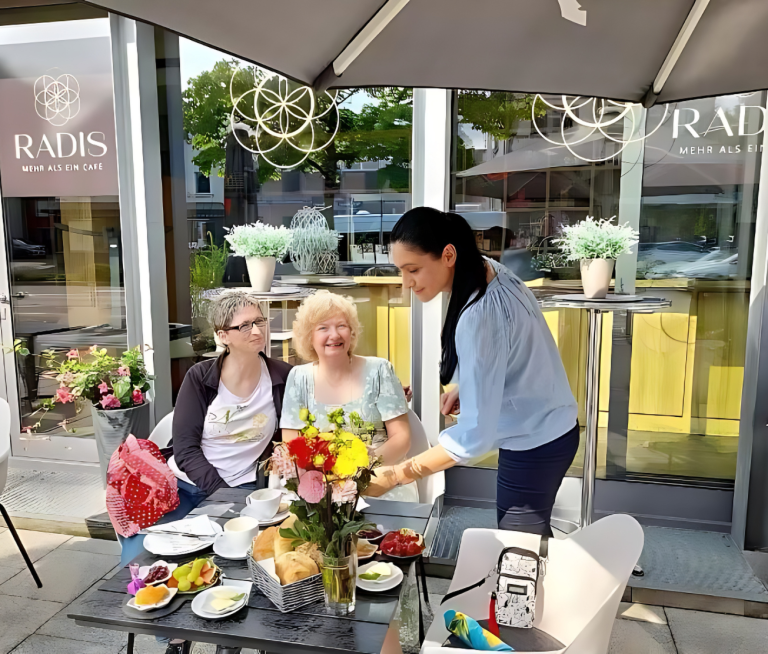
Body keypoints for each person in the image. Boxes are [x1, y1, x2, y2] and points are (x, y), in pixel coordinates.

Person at [366, 207, 579, 536]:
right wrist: (469, 387)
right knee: (528, 543)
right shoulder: (488, 271)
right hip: (551, 427)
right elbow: (508, 351)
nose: (406, 283)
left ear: (448, 254)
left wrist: (396, 475)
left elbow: (473, 440)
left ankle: (569, 588)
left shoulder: (479, 316)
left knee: (519, 551)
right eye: (401, 271)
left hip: (536, 441)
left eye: (413, 270)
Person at [117, 290, 291, 654]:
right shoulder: (201, 377)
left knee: (239, 560)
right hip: (185, 486)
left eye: (259, 321)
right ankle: (176, 639)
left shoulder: (281, 376)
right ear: (223, 335)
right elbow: (185, 447)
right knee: (143, 562)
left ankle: (228, 635)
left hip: (245, 488)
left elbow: (314, 400)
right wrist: (221, 494)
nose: (257, 331)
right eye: (244, 326)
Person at [280, 290, 418, 502]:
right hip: (321, 487)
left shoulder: (379, 370)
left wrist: (360, 469)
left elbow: (402, 439)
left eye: (341, 326)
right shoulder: (298, 377)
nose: (334, 335)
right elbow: (291, 443)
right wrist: (328, 477)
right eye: (323, 328)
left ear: (352, 332)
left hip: (379, 482)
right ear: (309, 337)